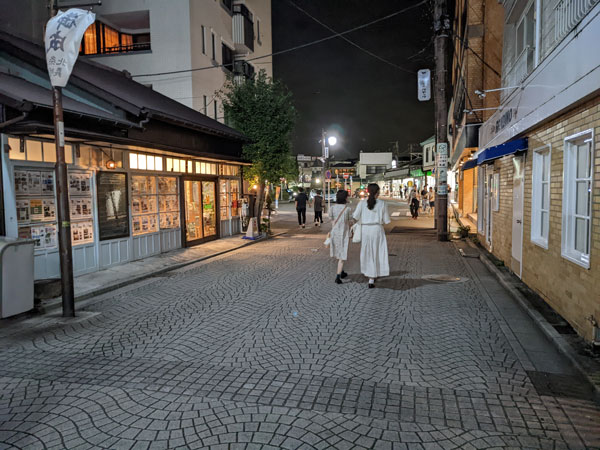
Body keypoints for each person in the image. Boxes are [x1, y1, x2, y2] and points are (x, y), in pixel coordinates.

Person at [353, 183, 390, 288]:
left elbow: (355, 216)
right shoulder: (382, 203)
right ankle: (374, 275)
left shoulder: (362, 203)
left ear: (368, 191)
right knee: (378, 251)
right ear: (378, 192)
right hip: (377, 229)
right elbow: (386, 220)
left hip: (365, 230)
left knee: (367, 252)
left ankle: (370, 274)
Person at [329, 190, 352, 284]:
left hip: (334, 232)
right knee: (342, 254)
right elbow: (350, 221)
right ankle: (338, 276)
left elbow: (331, 219)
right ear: (345, 198)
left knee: (339, 252)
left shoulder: (332, 207)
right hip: (343, 233)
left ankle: (342, 271)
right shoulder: (347, 209)